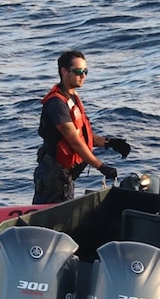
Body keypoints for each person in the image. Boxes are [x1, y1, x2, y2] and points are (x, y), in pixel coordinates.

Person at [32, 50, 131, 205]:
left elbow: (83, 136)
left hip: (65, 176)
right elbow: (75, 141)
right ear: (64, 71)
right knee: (47, 219)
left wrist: (109, 142)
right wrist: (101, 166)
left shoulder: (73, 99)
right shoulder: (57, 103)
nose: (83, 76)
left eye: (85, 71)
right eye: (78, 71)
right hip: (54, 176)